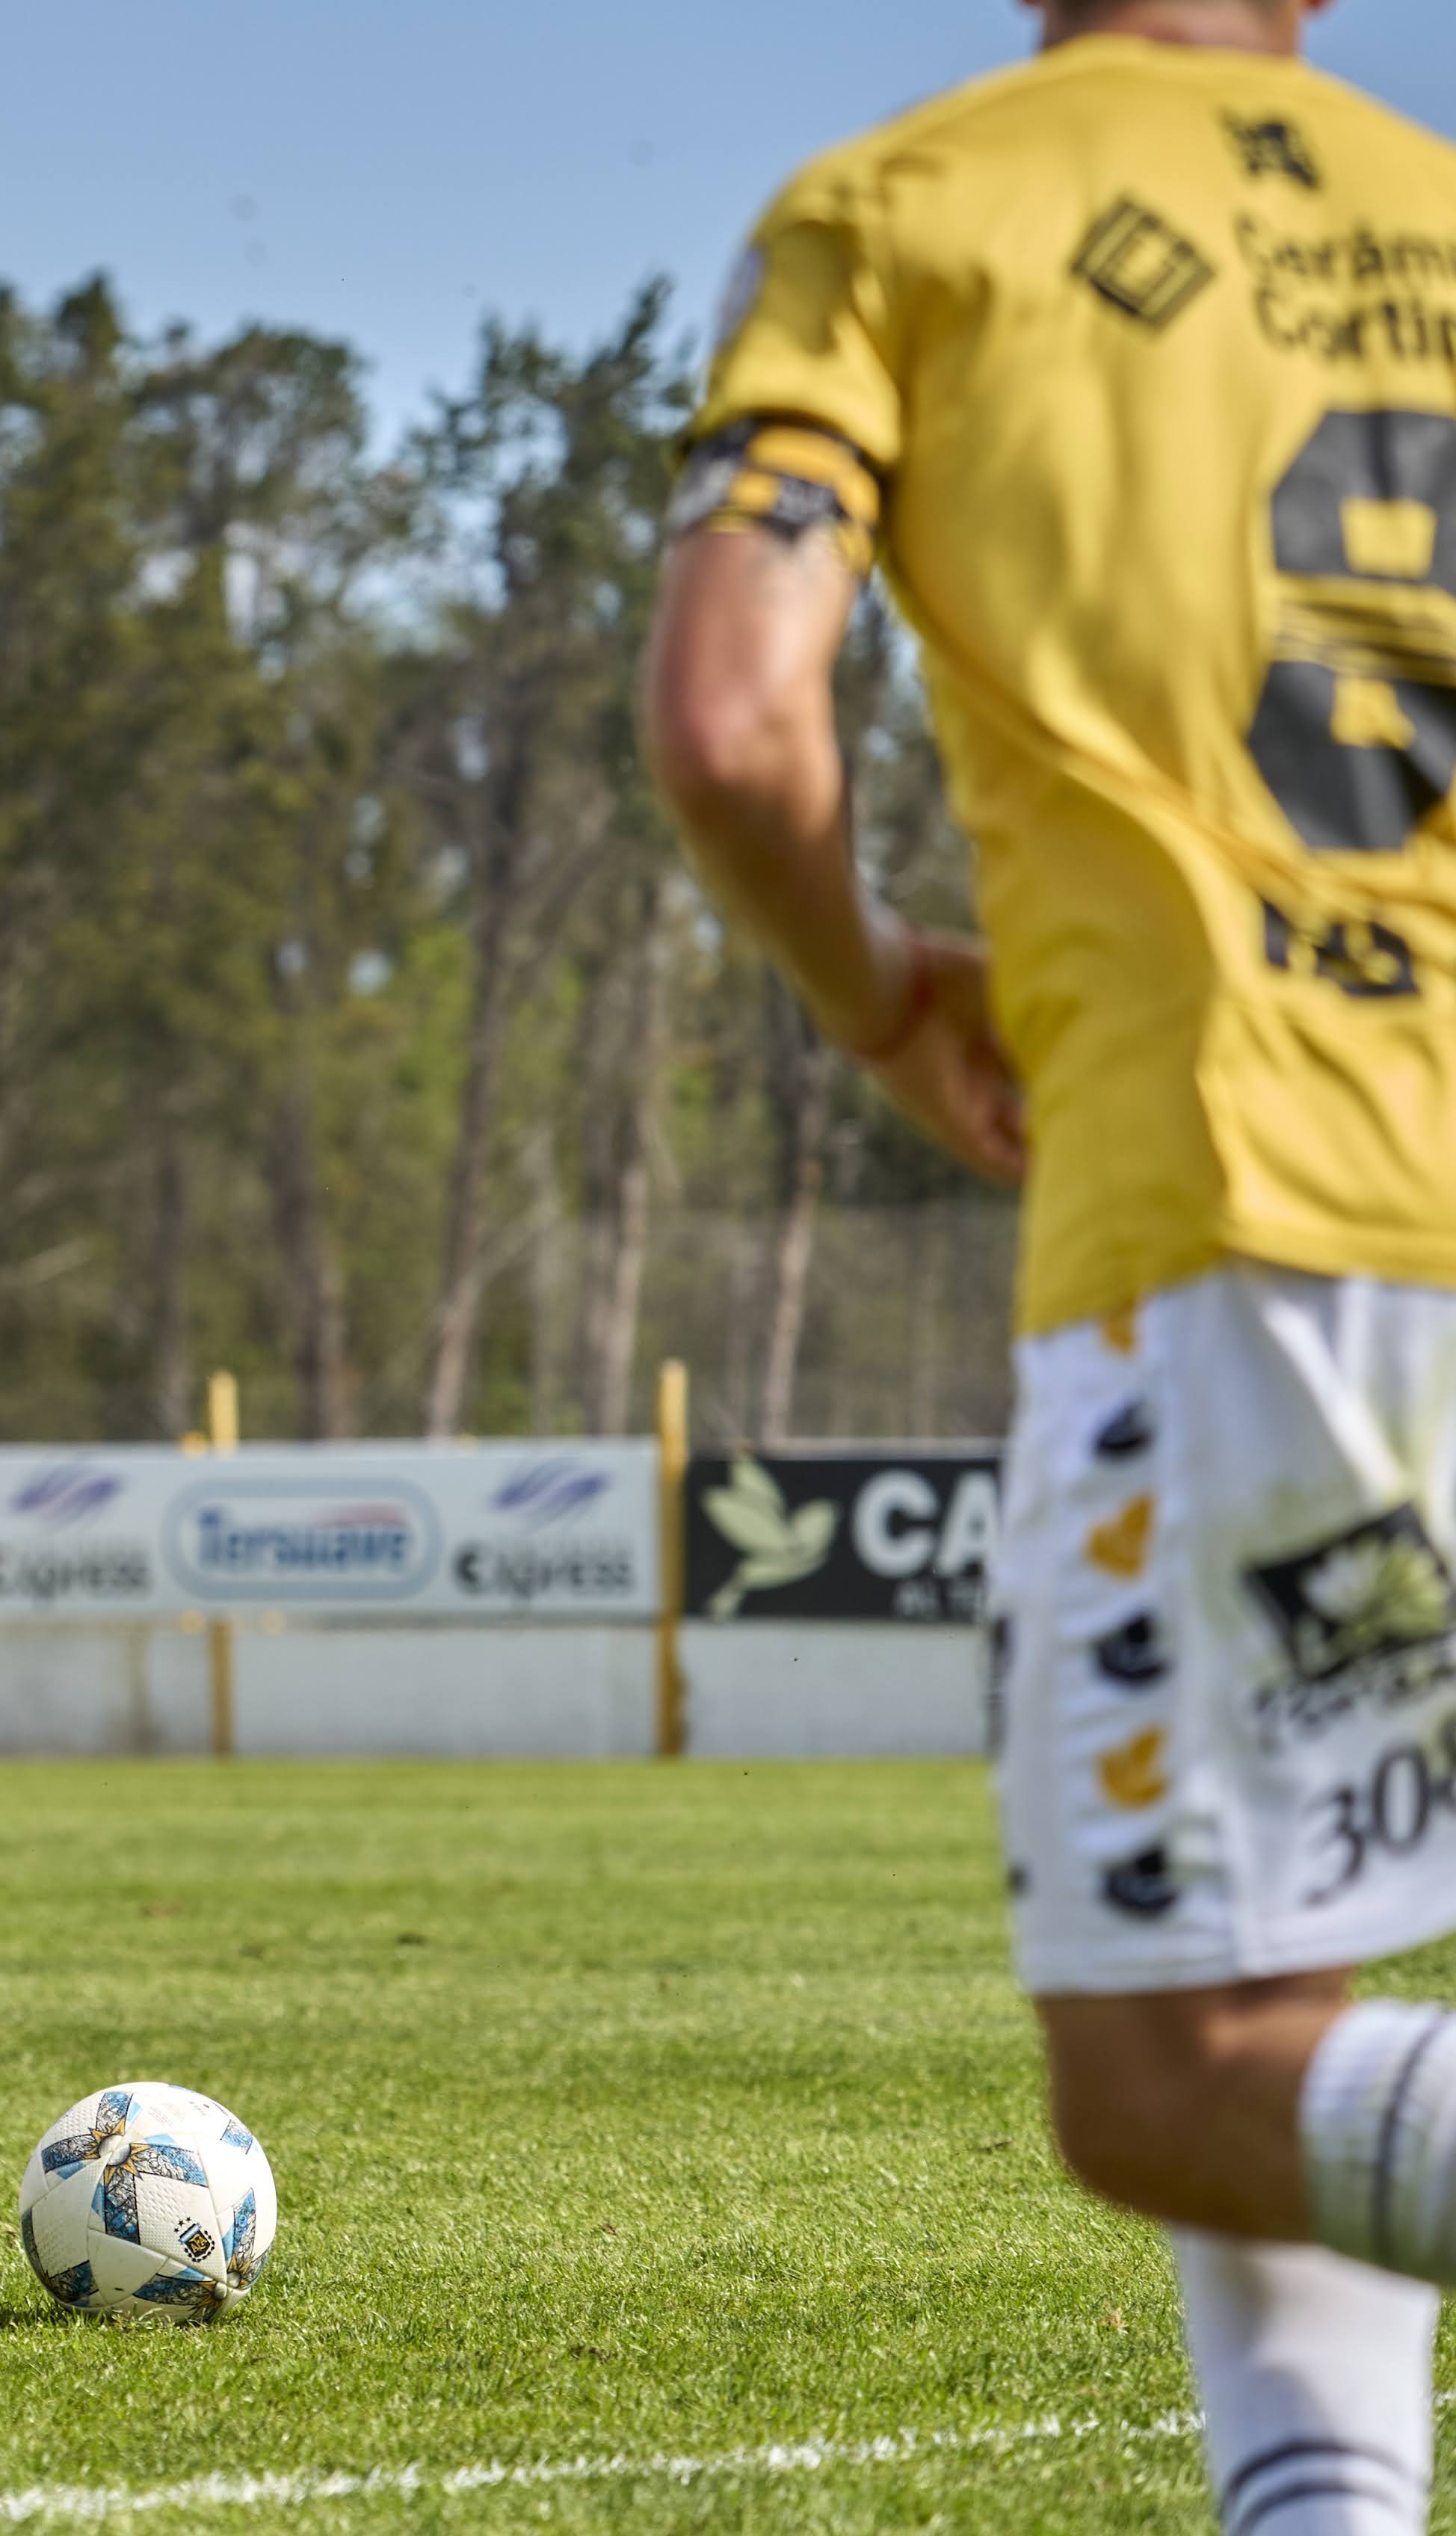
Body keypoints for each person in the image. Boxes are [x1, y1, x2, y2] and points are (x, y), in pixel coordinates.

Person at [647, 2, 1456, 2526]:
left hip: (1255, 1202)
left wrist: (876, 987)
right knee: (1272, 1979)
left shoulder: (909, 208)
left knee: (1168, 2078)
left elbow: (735, 723)